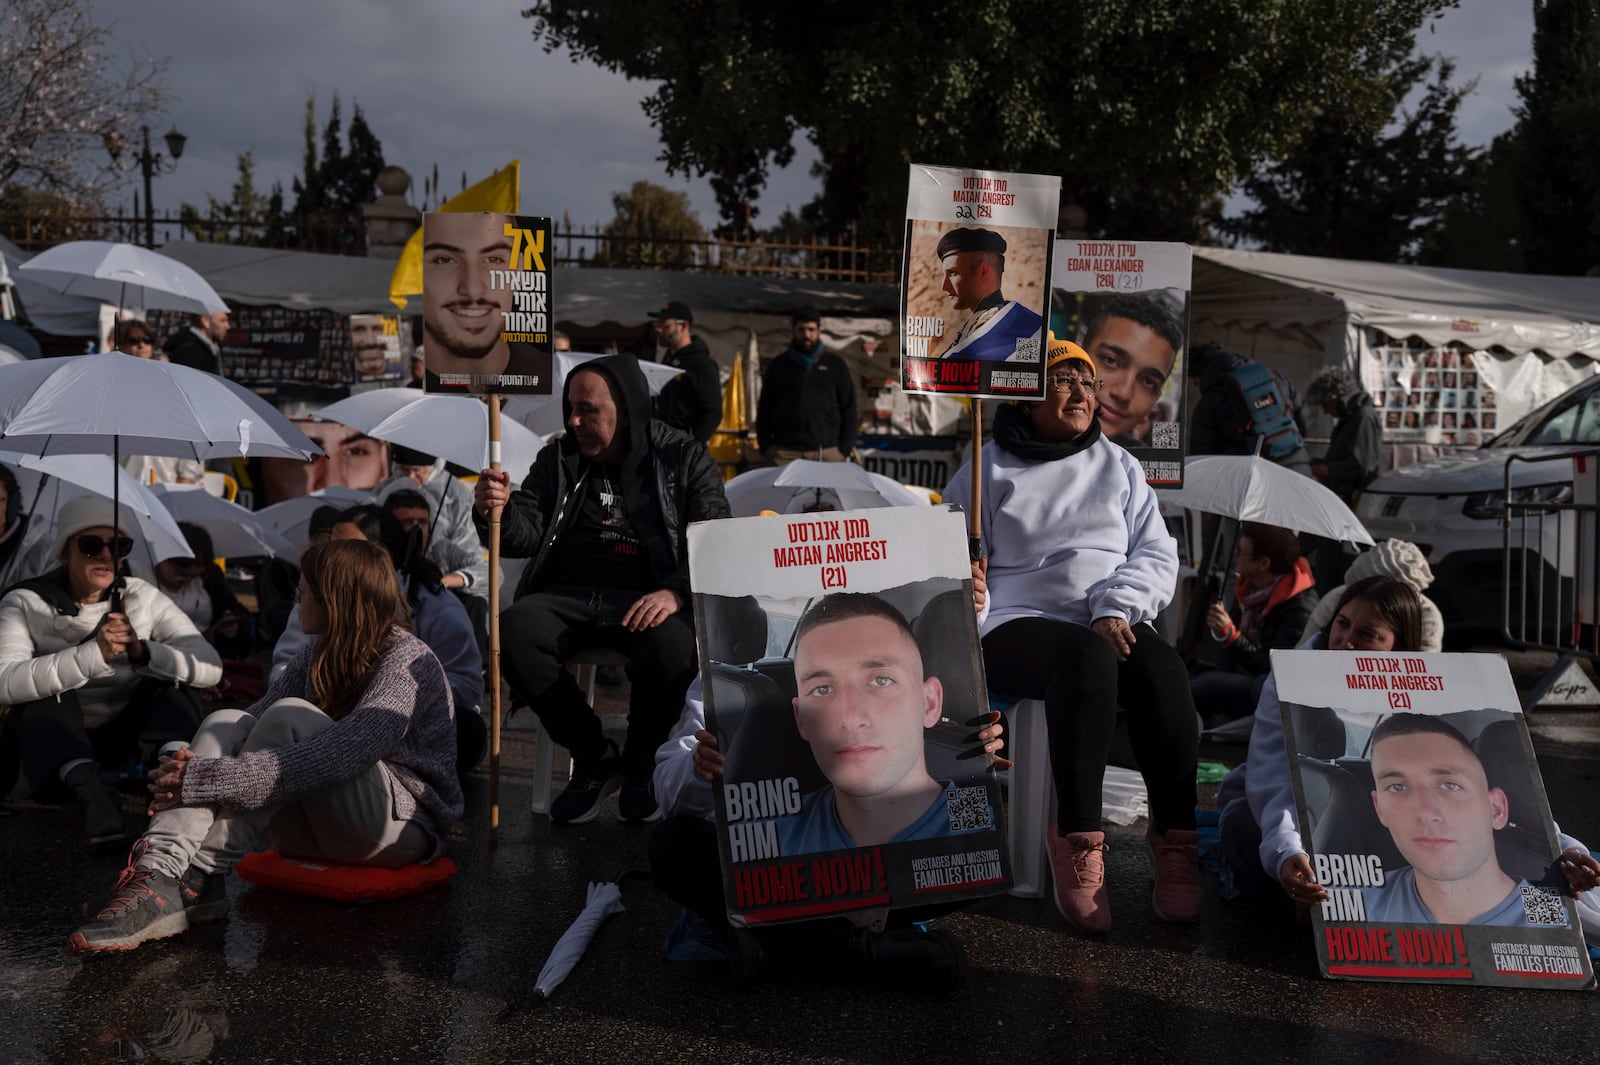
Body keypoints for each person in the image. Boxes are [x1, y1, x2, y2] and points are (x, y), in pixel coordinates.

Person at [68, 538, 464, 954]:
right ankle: (161, 876)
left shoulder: (404, 659)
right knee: (225, 720)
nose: (296, 596)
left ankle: (198, 873)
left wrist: (201, 777)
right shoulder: (317, 652)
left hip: (397, 831)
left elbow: (345, 753)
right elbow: (247, 727)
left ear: (335, 599)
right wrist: (182, 761)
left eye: (305, 588)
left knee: (289, 716)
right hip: (323, 827)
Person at [943, 335, 1200, 933]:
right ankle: (1079, 837)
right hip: (1013, 623)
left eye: (1087, 382)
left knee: (1163, 670)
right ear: (1029, 395)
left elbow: (1158, 554)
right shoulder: (986, 466)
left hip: (1106, 617)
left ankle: (1176, 837)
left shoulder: (1120, 465)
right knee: (1086, 659)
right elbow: (945, 563)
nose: (1082, 391)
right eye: (1064, 381)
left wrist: (1119, 605)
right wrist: (969, 589)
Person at [473, 355, 730, 823]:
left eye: (588, 410)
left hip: (649, 596)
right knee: (512, 629)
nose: (574, 421)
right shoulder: (557, 457)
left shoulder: (681, 455)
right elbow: (521, 533)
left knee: (673, 644)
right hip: (569, 594)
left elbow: (715, 535)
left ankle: (642, 765)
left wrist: (675, 591)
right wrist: (498, 510)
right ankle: (594, 756)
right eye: (571, 408)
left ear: (627, 409)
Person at [0, 497, 222, 849]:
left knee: (177, 684)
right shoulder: (24, 602)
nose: (106, 556)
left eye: (119, 546)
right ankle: (91, 791)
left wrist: (143, 651)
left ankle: (175, 775)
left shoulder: (141, 595)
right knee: (44, 693)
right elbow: (3, 682)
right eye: (91, 546)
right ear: (65, 553)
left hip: (129, 740)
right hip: (54, 748)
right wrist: (93, 654)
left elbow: (210, 666)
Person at [271, 505, 485, 778]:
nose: (334, 555)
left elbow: (467, 685)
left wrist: (377, 691)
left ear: (380, 556)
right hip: (325, 730)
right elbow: (281, 679)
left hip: (390, 757)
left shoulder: (432, 616)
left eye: (350, 547)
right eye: (333, 543)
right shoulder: (313, 600)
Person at [778, 594, 990, 853]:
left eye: (881, 681)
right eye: (822, 689)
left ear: (930, 704)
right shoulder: (771, 834)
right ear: (801, 720)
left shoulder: (983, 831)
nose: (851, 719)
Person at [1362, 714, 1595, 926]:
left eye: (1449, 786)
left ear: (1496, 809)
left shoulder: (1545, 914)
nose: (1425, 812)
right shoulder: (1353, 902)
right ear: (1379, 808)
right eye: (1397, 787)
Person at [1190, 523, 1318, 727]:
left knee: (1206, 686)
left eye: (1241, 552)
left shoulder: (1299, 607)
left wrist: (1230, 637)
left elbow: (1273, 668)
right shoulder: (1250, 588)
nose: (1235, 554)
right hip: (1242, 674)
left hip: (1266, 685)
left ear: (1263, 563)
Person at [421, 211, 550, 392]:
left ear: (519, 269)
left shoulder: (556, 384)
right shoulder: (406, 392)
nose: (473, 290)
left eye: (494, 259)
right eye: (444, 260)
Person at [373, 446, 487, 599]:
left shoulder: (454, 493)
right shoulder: (387, 488)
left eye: (417, 471)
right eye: (404, 471)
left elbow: (469, 551)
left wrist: (446, 577)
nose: (411, 478)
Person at [755, 308, 859, 465]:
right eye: (801, 329)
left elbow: (849, 409)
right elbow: (765, 408)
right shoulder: (779, 365)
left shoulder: (835, 365)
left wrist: (843, 449)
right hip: (784, 453)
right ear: (793, 332)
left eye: (811, 329)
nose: (806, 335)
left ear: (819, 331)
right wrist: (766, 447)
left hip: (827, 452)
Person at [1301, 539, 1444, 652]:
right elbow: (1298, 657)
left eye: (1367, 634)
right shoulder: (1337, 597)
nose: (1346, 643)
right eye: (1343, 624)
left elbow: (1424, 671)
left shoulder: (1427, 615)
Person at [1186, 342, 1311, 472]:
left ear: (1200, 373)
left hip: (1250, 477)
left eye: (1195, 382)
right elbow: (1304, 421)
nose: (1196, 385)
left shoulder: (1211, 400)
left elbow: (1202, 457)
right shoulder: (1276, 377)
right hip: (1297, 467)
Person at [1082, 295, 1183, 443]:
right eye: (1111, 361)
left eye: (1148, 382)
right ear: (1078, 357)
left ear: (1156, 398)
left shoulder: (1135, 464)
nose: (1123, 394)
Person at [932, 227, 1043, 362]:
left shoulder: (1024, 329)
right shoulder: (981, 321)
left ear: (983, 271)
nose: (944, 286)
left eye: (953, 273)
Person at [151, 523, 255, 661]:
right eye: (180, 574)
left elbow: (236, 611)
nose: (187, 582)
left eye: (193, 577)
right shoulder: (138, 576)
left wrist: (232, 626)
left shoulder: (210, 580)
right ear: (162, 556)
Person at [648, 300, 721, 444]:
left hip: (683, 450)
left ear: (683, 326)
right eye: (657, 325)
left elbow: (713, 412)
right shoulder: (668, 360)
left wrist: (691, 445)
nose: (659, 330)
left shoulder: (701, 364)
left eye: (665, 325)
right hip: (662, 445)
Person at [1307, 367, 1381, 505]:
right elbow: (1343, 457)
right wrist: (1319, 462)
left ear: (1335, 398)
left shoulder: (1363, 417)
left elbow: (1361, 467)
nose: (1324, 411)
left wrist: (1323, 470)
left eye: (1325, 404)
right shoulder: (1349, 417)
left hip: (1351, 499)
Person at [163, 310, 230, 375]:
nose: (227, 326)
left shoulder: (207, 347)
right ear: (205, 321)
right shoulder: (190, 350)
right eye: (222, 320)